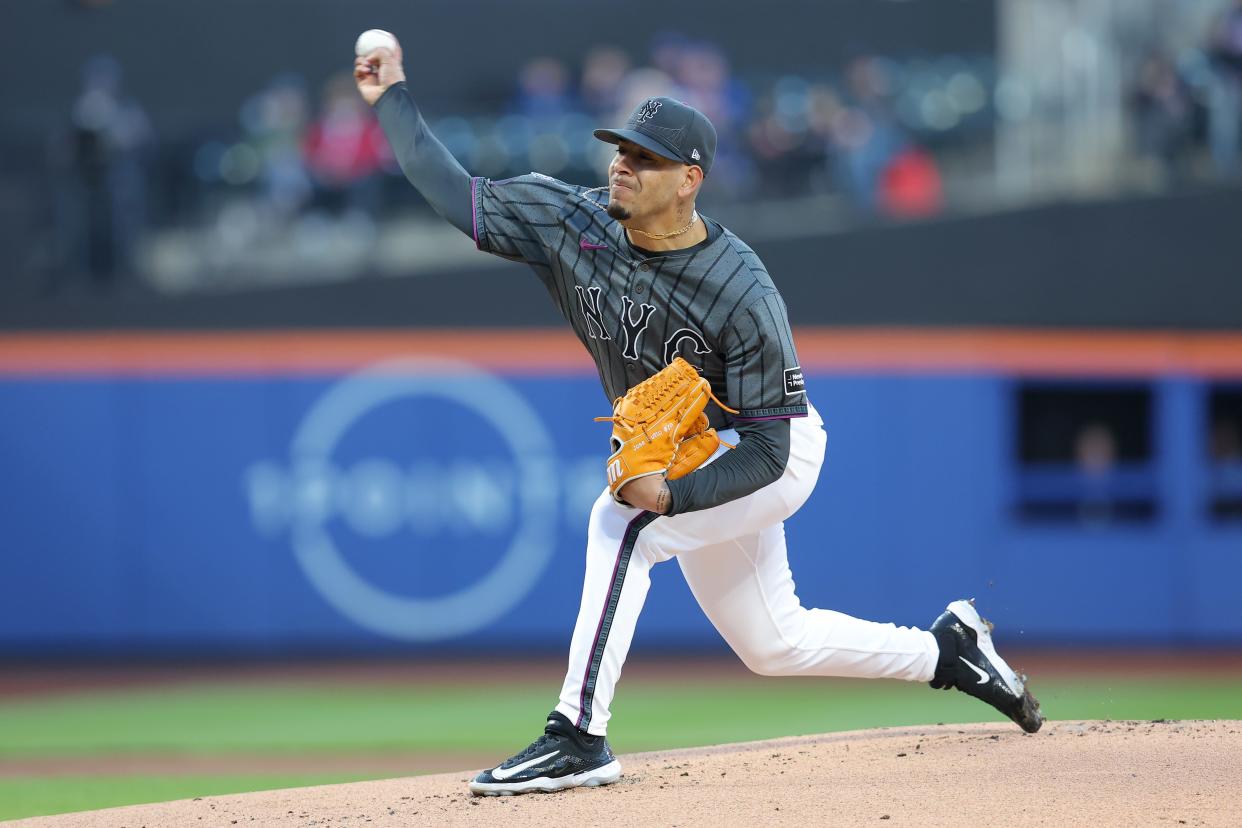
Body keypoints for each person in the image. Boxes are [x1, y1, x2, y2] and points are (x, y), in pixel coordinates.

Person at [353, 37, 1042, 797]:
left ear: (689, 181)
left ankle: (578, 735)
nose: (621, 163)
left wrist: (674, 499)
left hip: (766, 449)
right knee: (773, 642)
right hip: (695, 449)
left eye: (644, 158)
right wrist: (393, 97)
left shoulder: (740, 287)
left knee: (620, 525)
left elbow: (771, 452)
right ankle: (949, 653)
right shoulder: (569, 223)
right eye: (620, 148)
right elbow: (455, 193)